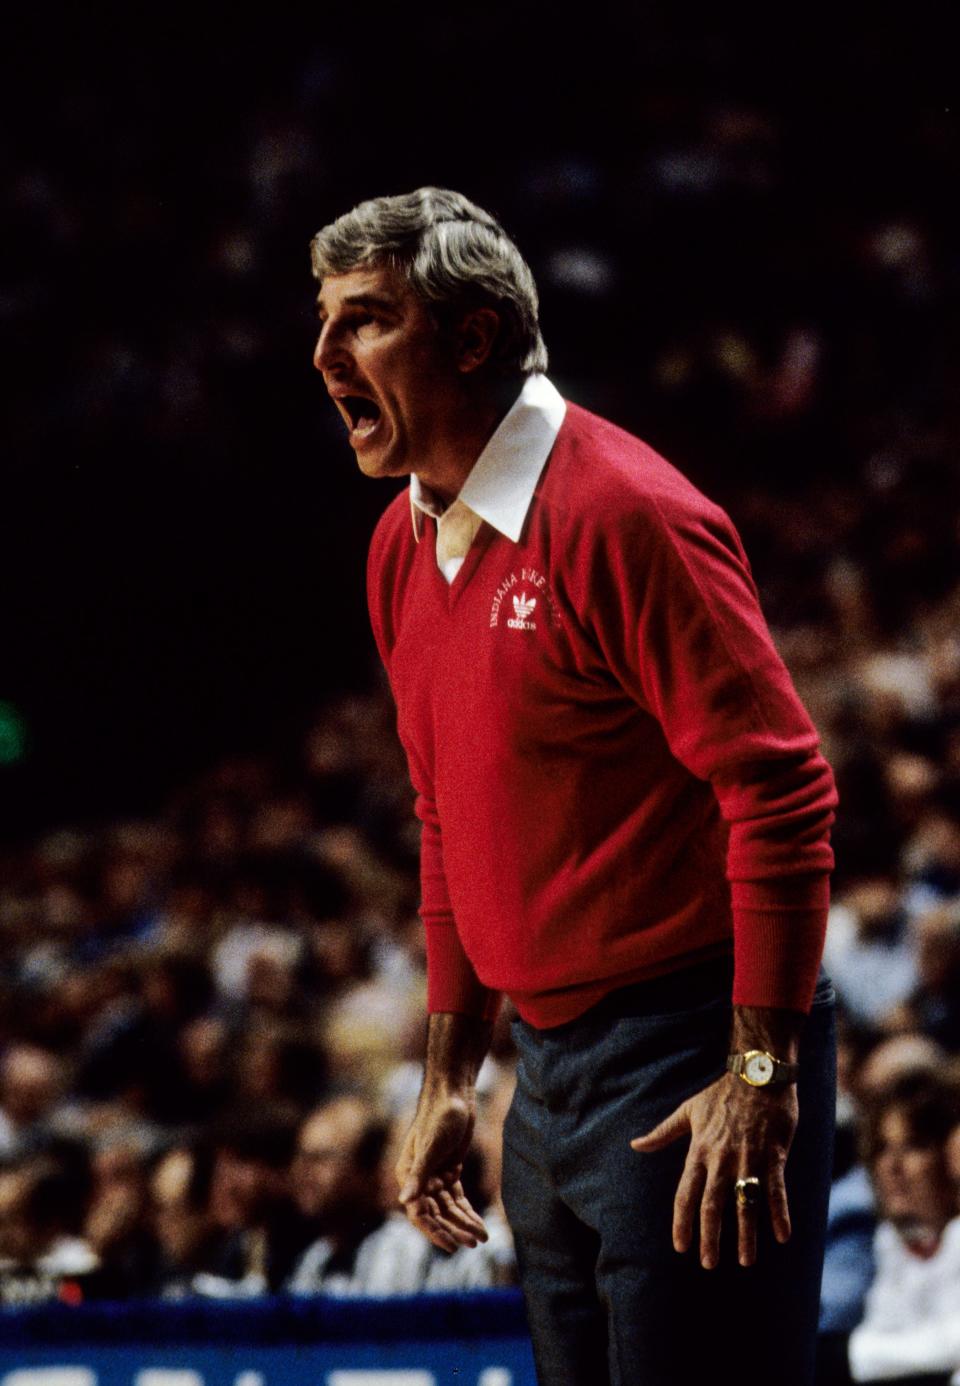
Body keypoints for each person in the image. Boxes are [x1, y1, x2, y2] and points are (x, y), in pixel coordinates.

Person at [310, 187, 838, 1385]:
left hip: (694, 1055)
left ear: (473, 334)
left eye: (366, 320)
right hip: (546, 1080)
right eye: (326, 321)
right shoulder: (402, 544)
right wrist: (452, 1077)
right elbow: (447, 821)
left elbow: (783, 791)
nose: (325, 353)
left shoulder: (624, 511)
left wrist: (760, 1074)